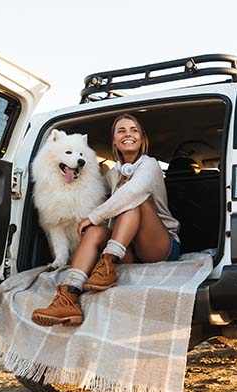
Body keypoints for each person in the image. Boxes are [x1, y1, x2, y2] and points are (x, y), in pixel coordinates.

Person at [31, 113, 181, 327]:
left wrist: (93, 216)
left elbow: (132, 192)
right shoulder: (113, 175)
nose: (128, 134)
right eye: (121, 131)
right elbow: (92, 186)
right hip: (128, 250)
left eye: (134, 130)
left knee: (134, 201)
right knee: (94, 231)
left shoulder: (151, 165)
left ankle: (107, 265)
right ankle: (68, 296)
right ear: (114, 141)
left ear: (141, 139)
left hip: (159, 246)